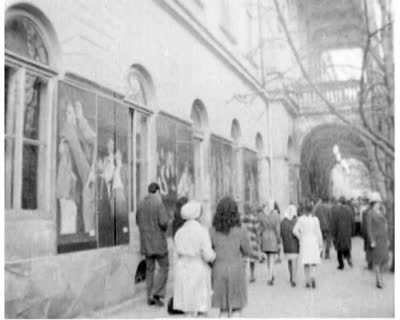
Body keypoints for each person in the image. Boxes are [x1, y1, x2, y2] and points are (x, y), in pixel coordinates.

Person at [211, 197, 257, 317]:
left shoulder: (212, 230)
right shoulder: (241, 229)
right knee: (237, 309)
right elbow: (247, 251)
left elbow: (210, 251)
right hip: (236, 270)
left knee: (223, 310)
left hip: (219, 270)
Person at [173, 201, 216, 316]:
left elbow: (175, 255)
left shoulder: (179, 232)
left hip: (182, 269)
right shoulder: (202, 231)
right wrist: (214, 256)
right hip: (198, 268)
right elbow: (208, 255)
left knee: (187, 307)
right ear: (198, 215)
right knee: (201, 306)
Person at [136, 183, 169, 306]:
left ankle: (149, 297)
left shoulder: (140, 204)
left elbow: (137, 222)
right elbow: (164, 222)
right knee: (164, 267)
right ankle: (157, 292)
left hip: (146, 243)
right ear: (157, 192)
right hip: (159, 242)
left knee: (149, 270)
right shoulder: (158, 203)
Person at [293, 200, 323, 289]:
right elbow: (318, 232)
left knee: (306, 262)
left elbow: (294, 230)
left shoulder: (301, 219)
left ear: (304, 209)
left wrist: (300, 237)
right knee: (313, 261)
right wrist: (320, 244)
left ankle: (307, 281)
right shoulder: (315, 220)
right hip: (313, 242)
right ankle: (313, 276)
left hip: (305, 242)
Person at [366, 192, 390, 289]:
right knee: (377, 261)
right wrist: (371, 240)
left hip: (383, 239)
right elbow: (369, 228)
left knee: (385, 259)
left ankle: (380, 278)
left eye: (379, 202)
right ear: (373, 203)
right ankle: (379, 280)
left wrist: (388, 239)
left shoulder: (381, 212)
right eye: (377, 202)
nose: (378, 204)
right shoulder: (370, 213)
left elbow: (385, 226)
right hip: (376, 241)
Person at [259, 200, 281, 285]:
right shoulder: (276, 216)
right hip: (272, 237)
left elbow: (260, 228)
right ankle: (271, 276)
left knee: (268, 258)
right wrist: (279, 240)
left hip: (265, 236)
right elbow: (277, 230)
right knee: (272, 258)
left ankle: (269, 274)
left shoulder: (262, 216)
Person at [331, 197, 355, 270]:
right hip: (347, 231)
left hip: (339, 231)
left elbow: (334, 222)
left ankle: (341, 264)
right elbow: (352, 221)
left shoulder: (337, 210)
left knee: (339, 249)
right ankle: (348, 257)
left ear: (340, 202)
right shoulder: (350, 210)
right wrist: (352, 231)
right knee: (347, 246)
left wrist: (334, 233)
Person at [280, 205, 299, 287]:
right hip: (295, 245)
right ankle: (293, 279)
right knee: (294, 262)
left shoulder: (283, 222)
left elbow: (281, 234)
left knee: (289, 262)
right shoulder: (296, 221)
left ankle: (291, 276)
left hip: (286, 245)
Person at [242, 203, 261, 283]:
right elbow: (257, 229)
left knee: (244, 259)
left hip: (243, 241)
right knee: (252, 259)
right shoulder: (254, 218)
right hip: (252, 240)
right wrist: (258, 240)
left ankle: (244, 275)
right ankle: (252, 275)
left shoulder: (241, 218)